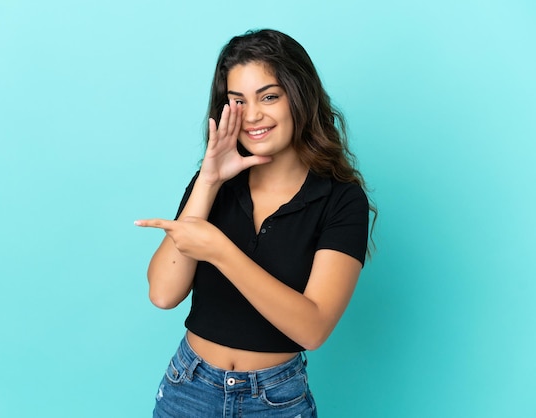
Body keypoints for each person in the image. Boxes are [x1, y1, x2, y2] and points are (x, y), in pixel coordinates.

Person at [135, 28, 375, 418]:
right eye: (238, 101)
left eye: (269, 96)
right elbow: (163, 294)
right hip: (189, 387)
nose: (254, 115)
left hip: (275, 400)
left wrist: (222, 251)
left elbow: (312, 328)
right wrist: (209, 181)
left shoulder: (341, 200)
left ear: (299, 97)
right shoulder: (213, 185)